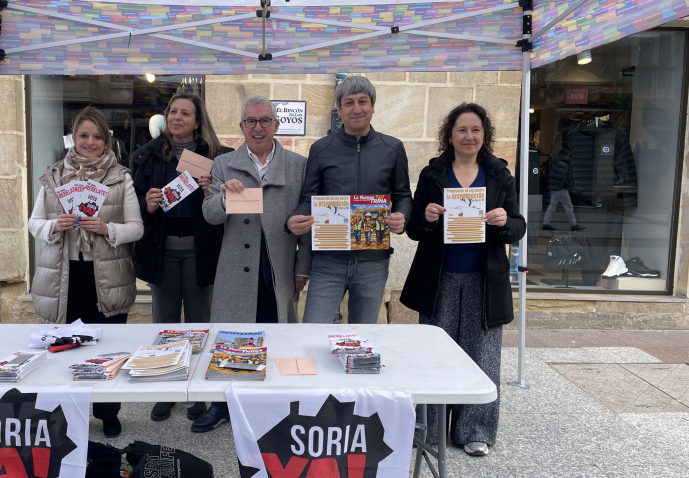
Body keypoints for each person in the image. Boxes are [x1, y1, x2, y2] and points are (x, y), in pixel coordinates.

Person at [400, 103, 526, 456]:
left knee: (482, 355)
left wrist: (504, 222)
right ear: (450, 135)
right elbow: (414, 230)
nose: (469, 136)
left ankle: (475, 431)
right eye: (461, 130)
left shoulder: (500, 175)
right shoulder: (434, 174)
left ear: (484, 136)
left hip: (484, 280)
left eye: (475, 130)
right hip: (438, 277)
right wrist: (425, 217)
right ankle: (429, 429)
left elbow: (518, 226)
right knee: (434, 356)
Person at [28, 106, 143, 438]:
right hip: (64, 276)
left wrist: (108, 229)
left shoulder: (120, 177)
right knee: (66, 351)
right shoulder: (53, 177)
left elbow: (136, 228)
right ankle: (70, 415)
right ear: (73, 137)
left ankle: (108, 413)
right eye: (84, 135)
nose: (90, 142)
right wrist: (53, 225)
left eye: (97, 136)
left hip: (106, 276)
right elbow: (34, 223)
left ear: (106, 140)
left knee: (106, 352)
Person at [198, 95, 311, 433]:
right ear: (241, 126)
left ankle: (275, 403)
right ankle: (221, 404)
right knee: (231, 335)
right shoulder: (222, 164)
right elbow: (210, 217)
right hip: (235, 267)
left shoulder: (298, 165)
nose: (258, 127)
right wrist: (222, 197)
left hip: (277, 264)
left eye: (265, 121)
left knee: (274, 332)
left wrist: (302, 268)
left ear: (277, 125)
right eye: (251, 121)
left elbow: (307, 222)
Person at [131, 92, 233, 423]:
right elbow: (131, 213)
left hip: (201, 251)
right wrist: (146, 205)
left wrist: (212, 191)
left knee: (200, 325)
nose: (177, 117)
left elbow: (231, 207)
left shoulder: (217, 158)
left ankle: (198, 395)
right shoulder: (146, 157)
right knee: (165, 325)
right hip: (161, 252)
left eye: (185, 113)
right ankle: (166, 389)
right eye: (173, 112)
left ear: (197, 121)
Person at [287, 76, 412, 324]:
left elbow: (403, 196)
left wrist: (402, 217)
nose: (357, 109)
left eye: (363, 101)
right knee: (314, 330)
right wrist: (293, 219)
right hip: (327, 260)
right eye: (349, 103)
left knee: (363, 338)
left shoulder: (392, 148)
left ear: (373, 106)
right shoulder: (321, 149)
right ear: (339, 110)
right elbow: (308, 198)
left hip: (373, 262)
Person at [542, 151, 585, 231]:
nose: (569, 157)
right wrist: (569, 187)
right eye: (568, 155)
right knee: (569, 207)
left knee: (551, 206)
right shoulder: (563, 165)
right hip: (561, 189)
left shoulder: (556, 163)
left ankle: (546, 223)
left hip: (555, 188)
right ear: (564, 155)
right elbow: (564, 178)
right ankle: (573, 224)